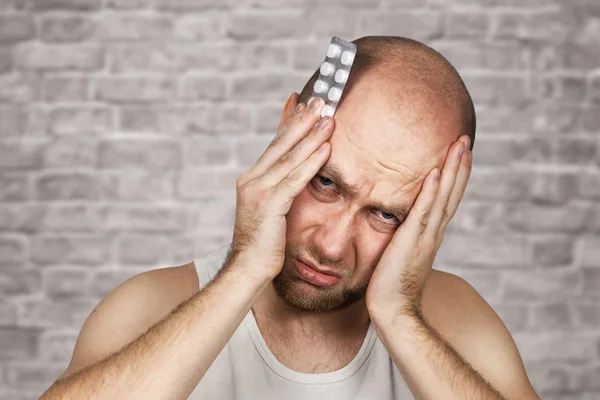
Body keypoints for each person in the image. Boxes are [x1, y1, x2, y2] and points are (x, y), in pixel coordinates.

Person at [39, 36, 540, 399]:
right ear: (287, 134)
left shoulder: (457, 322)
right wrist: (243, 273)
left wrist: (400, 319)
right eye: (326, 183)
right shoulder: (147, 306)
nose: (332, 245)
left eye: (386, 214)